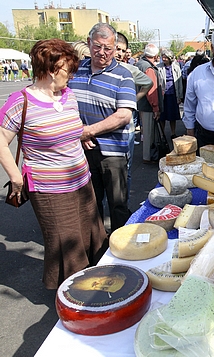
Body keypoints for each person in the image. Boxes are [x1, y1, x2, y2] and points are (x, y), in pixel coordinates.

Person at [0, 39, 108, 289]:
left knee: (92, 236)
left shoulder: (68, 95)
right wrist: (16, 178)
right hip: (50, 190)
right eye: (67, 69)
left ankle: (96, 287)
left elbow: (71, 127)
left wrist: (79, 136)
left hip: (82, 181)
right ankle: (75, 297)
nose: (70, 74)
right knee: (67, 244)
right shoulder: (21, 102)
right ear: (50, 69)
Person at [68, 22, 137, 233]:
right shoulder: (75, 71)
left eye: (108, 48)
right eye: (98, 46)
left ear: (115, 48)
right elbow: (63, 103)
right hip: (83, 151)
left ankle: (121, 247)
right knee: (90, 205)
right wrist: (78, 129)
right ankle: (96, 250)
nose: (102, 52)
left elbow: (123, 115)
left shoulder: (123, 76)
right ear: (89, 43)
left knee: (117, 204)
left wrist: (89, 131)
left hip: (112, 153)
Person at [115, 33, 153, 197]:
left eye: (122, 50)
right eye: (116, 49)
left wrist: (132, 101)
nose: (118, 53)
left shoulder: (128, 69)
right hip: (102, 132)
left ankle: (123, 205)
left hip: (126, 129)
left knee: (126, 169)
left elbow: (148, 83)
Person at [136, 43, 164, 164]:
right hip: (148, 105)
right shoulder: (149, 68)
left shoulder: (139, 64)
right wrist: (156, 108)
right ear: (156, 55)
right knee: (149, 133)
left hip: (142, 103)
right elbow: (151, 90)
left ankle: (148, 156)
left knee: (145, 131)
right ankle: (148, 157)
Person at [157, 49, 183, 140]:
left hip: (173, 94)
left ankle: (173, 133)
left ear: (170, 58)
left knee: (173, 116)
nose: (163, 59)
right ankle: (162, 134)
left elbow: (179, 82)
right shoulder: (159, 67)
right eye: (162, 57)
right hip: (163, 95)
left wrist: (180, 96)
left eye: (165, 57)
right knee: (162, 116)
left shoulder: (176, 67)